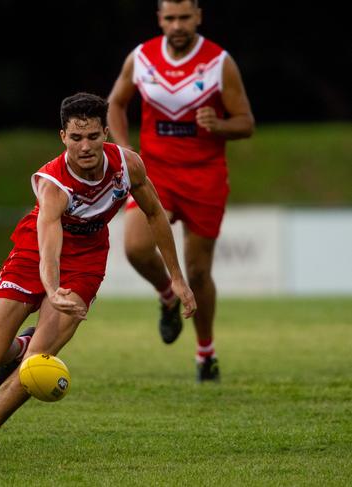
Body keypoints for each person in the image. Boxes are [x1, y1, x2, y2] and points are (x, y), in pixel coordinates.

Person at [0, 92, 197, 462]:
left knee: (36, 363)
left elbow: (154, 215)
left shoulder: (127, 165)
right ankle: (21, 344)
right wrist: (52, 289)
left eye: (92, 137)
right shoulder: (54, 184)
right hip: (32, 255)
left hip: (85, 263)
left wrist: (177, 279)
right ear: (62, 137)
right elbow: (49, 243)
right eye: (75, 138)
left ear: (105, 132)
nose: (85, 146)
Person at [107, 0, 254, 382]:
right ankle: (168, 294)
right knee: (135, 248)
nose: (177, 25)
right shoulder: (141, 58)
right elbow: (115, 104)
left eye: (184, 17)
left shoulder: (219, 62)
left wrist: (219, 125)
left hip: (204, 176)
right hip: (155, 172)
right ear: (159, 19)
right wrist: (125, 150)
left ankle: (206, 353)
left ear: (199, 16)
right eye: (169, 18)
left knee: (199, 272)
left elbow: (246, 123)